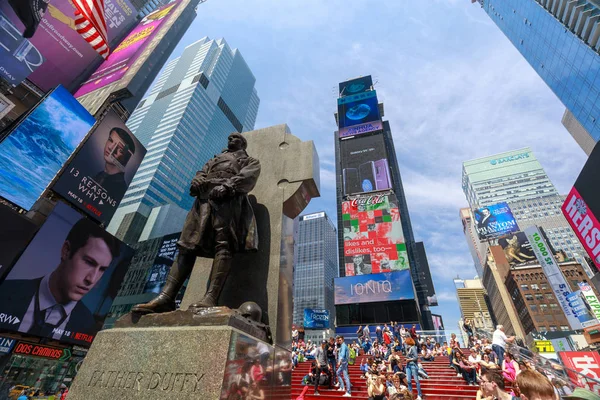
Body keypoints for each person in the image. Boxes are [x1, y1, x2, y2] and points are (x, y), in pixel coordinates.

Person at [133, 133, 261, 313]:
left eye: (235, 138)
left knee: (223, 245)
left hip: (227, 201)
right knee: (186, 245)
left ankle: (211, 297)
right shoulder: (214, 159)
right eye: (229, 137)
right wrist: (197, 181)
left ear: (243, 143)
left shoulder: (250, 161)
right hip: (202, 202)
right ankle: (167, 297)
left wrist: (227, 186)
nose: (230, 139)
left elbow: (248, 177)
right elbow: (201, 173)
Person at [0, 218, 120, 339]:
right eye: (89, 262)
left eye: (102, 269)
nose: (92, 279)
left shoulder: (87, 323)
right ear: (66, 251)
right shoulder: (5, 291)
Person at [93, 126, 137, 204]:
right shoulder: (99, 175)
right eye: (110, 140)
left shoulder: (120, 190)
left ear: (126, 157)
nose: (110, 147)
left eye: (119, 149)